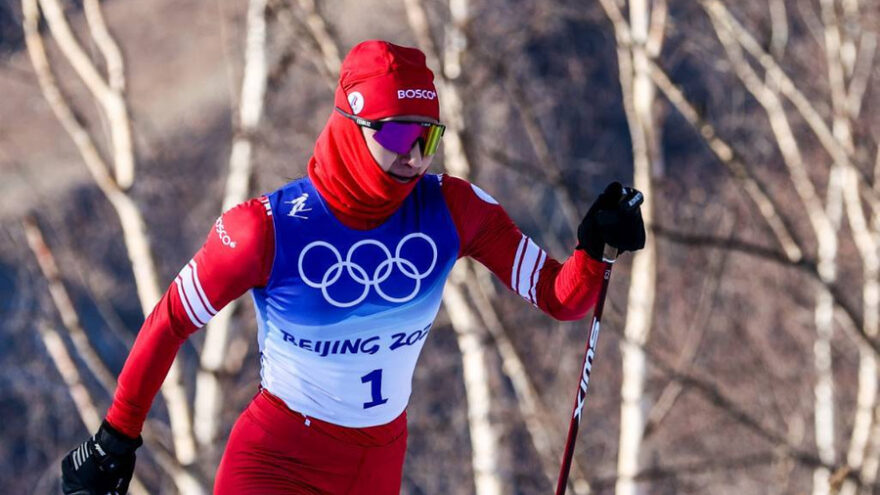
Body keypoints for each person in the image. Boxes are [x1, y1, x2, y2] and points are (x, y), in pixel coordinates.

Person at [60, 40, 645, 494]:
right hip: (276, 462)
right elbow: (170, 319)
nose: (414, 156)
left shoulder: (454, 210)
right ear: (352, 124)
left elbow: (560, 298)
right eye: (396, 134)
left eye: (428, 137)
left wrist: (594, 249)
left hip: (378, 466)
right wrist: (117, 436)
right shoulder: (266, 228)